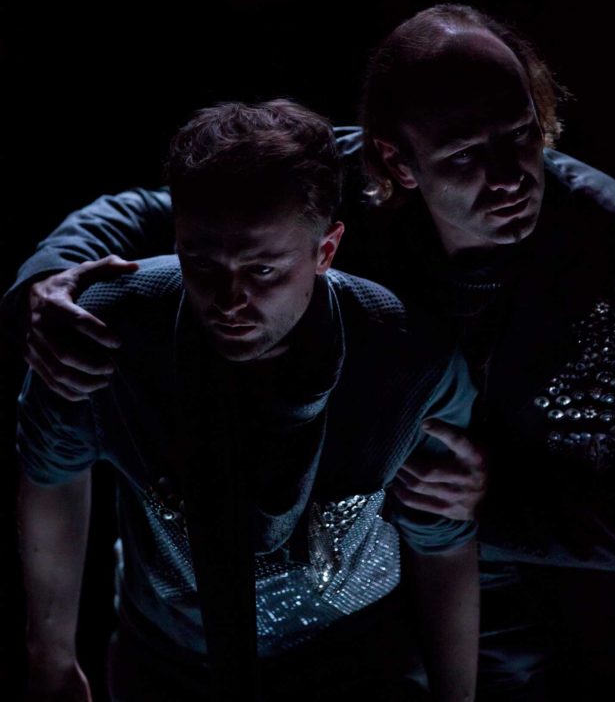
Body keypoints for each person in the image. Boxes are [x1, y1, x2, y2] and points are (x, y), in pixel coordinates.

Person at [8, 4, 615, 701]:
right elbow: (170, 211)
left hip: (545, 592)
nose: (510, 175)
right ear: (397, 160)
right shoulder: (340, 177)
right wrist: (51, 284)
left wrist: (497, 503)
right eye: (464, 154)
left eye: (521, 134)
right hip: (343, 584)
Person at [16, 99, 480, 702]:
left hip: (362, 662)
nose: (228, 299)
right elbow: (51, 473)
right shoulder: (102, 332)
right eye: (202, 263)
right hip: (170, 659)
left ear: (325, 251)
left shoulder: (408, 361)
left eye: (262, 271)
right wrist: (52, 656)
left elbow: (442, 544)